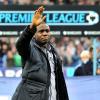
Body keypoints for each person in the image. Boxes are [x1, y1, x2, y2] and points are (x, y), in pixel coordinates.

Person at [12, 6, 69, 100]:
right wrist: (31, 28)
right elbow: (20, 44)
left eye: (47, 31)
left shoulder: (54, 53)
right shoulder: (29, 49)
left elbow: (60, 83)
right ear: (34, 35)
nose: (45, 33)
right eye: (41, 31)